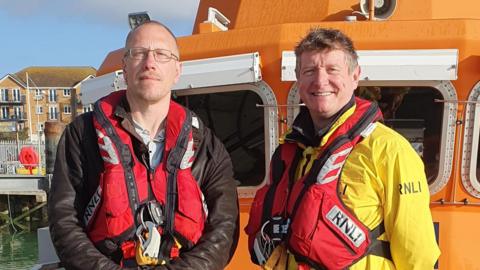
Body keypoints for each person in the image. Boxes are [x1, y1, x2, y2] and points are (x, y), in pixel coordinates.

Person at [48, 20, 239, 270]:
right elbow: (64, 220)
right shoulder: (81, 136)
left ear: (177, 70)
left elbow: (225, 228)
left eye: (162, 54)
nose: (150, 63)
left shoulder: (207, 146)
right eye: (138, 53)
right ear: (125, 68)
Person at [245, 28, 440, 270]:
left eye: (332, 69)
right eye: (309, 71)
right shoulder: (290, 151)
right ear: (298, 79)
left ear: (355, 76)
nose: (320, 81)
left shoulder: (390, 151)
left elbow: (417, 257)